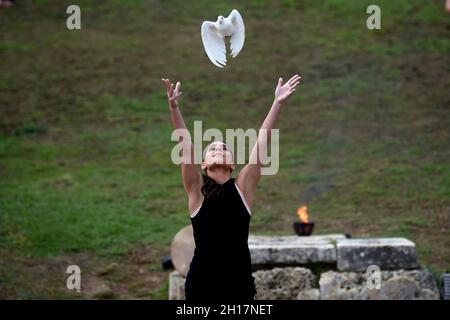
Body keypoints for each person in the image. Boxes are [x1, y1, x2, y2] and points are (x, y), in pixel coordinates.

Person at [161, 74, 301, 301]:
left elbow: (261, 143)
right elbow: (185, 147)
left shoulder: (243, 188)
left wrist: (277, 103)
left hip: (239, 285)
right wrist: (174, 107)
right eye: (212, 148)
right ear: (203, 164)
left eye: (224, 147)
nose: (218, 148)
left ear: (233, 164)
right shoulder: (197, 190)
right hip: (201, 286)